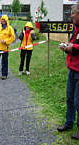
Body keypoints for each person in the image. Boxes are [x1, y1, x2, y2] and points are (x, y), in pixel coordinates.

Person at [57, 4, 79, 140]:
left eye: (73, 13)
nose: (71, 15)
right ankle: (69, 123)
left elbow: (76, 46)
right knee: (70, 98)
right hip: (72, 69)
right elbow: (74, 43)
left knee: (78, 101)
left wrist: (72, 47)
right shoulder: (76, 28)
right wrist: (66, 45)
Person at [0, 14, 15, 80]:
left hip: (5, 48)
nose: (3, 21)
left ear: (6, 20)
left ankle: (4, 74)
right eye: (2, 19)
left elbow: (13, 37)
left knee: (4, 61)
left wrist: (6, 41)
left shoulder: (10, 28)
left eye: (4, 20)